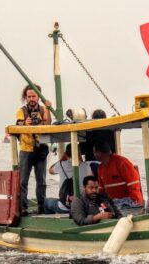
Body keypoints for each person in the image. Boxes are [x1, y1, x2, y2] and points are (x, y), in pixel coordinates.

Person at [16, 84, 52, 215]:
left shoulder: (43, 110)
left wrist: (48, 108)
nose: (31, 99)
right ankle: (23, 208)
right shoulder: (22, 110)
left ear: (38, 97)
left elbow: (48, 124)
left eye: (34, 96)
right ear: (25, 97)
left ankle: (41, 208)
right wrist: (25, 123)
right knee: (22, 181)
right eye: (29, 96)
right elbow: (18, 122)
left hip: (41, 149)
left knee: (41, 181)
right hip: (26, 149)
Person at [44, 144, 93, 214]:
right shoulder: (87, 166)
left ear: (66, 154)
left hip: (66, 206)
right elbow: (91, 180)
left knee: (46, 202)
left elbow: (50, 170)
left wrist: (62, 158)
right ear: (79, 153)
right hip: (83, 204)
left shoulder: (61, 164)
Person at [94, 141, 144, 208]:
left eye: (94, 152)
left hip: (130, 203)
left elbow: (134, 187)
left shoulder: (122, 163)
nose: (94, 154)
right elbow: (101, 190)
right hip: (114, 204)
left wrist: (134, 202)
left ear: (98, 153)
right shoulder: (100, 168)